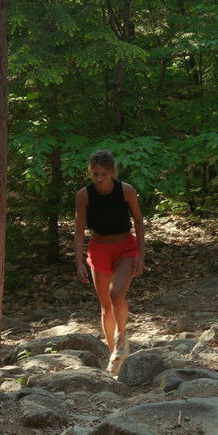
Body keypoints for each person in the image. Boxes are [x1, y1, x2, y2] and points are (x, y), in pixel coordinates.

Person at [74, 149, 145, 374]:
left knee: (116, 295)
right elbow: (78, 231)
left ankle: (121, 335)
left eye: (104, 174)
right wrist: (79, 262)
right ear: (90, 172)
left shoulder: (126, 191)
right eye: (95, 174)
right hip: (99, 249)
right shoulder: (84, 196)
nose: (99, 178)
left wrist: (141, 255)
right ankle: (115, 357)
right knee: (106, 306)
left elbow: (139, 221)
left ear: (112, 172)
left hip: (125, 247)